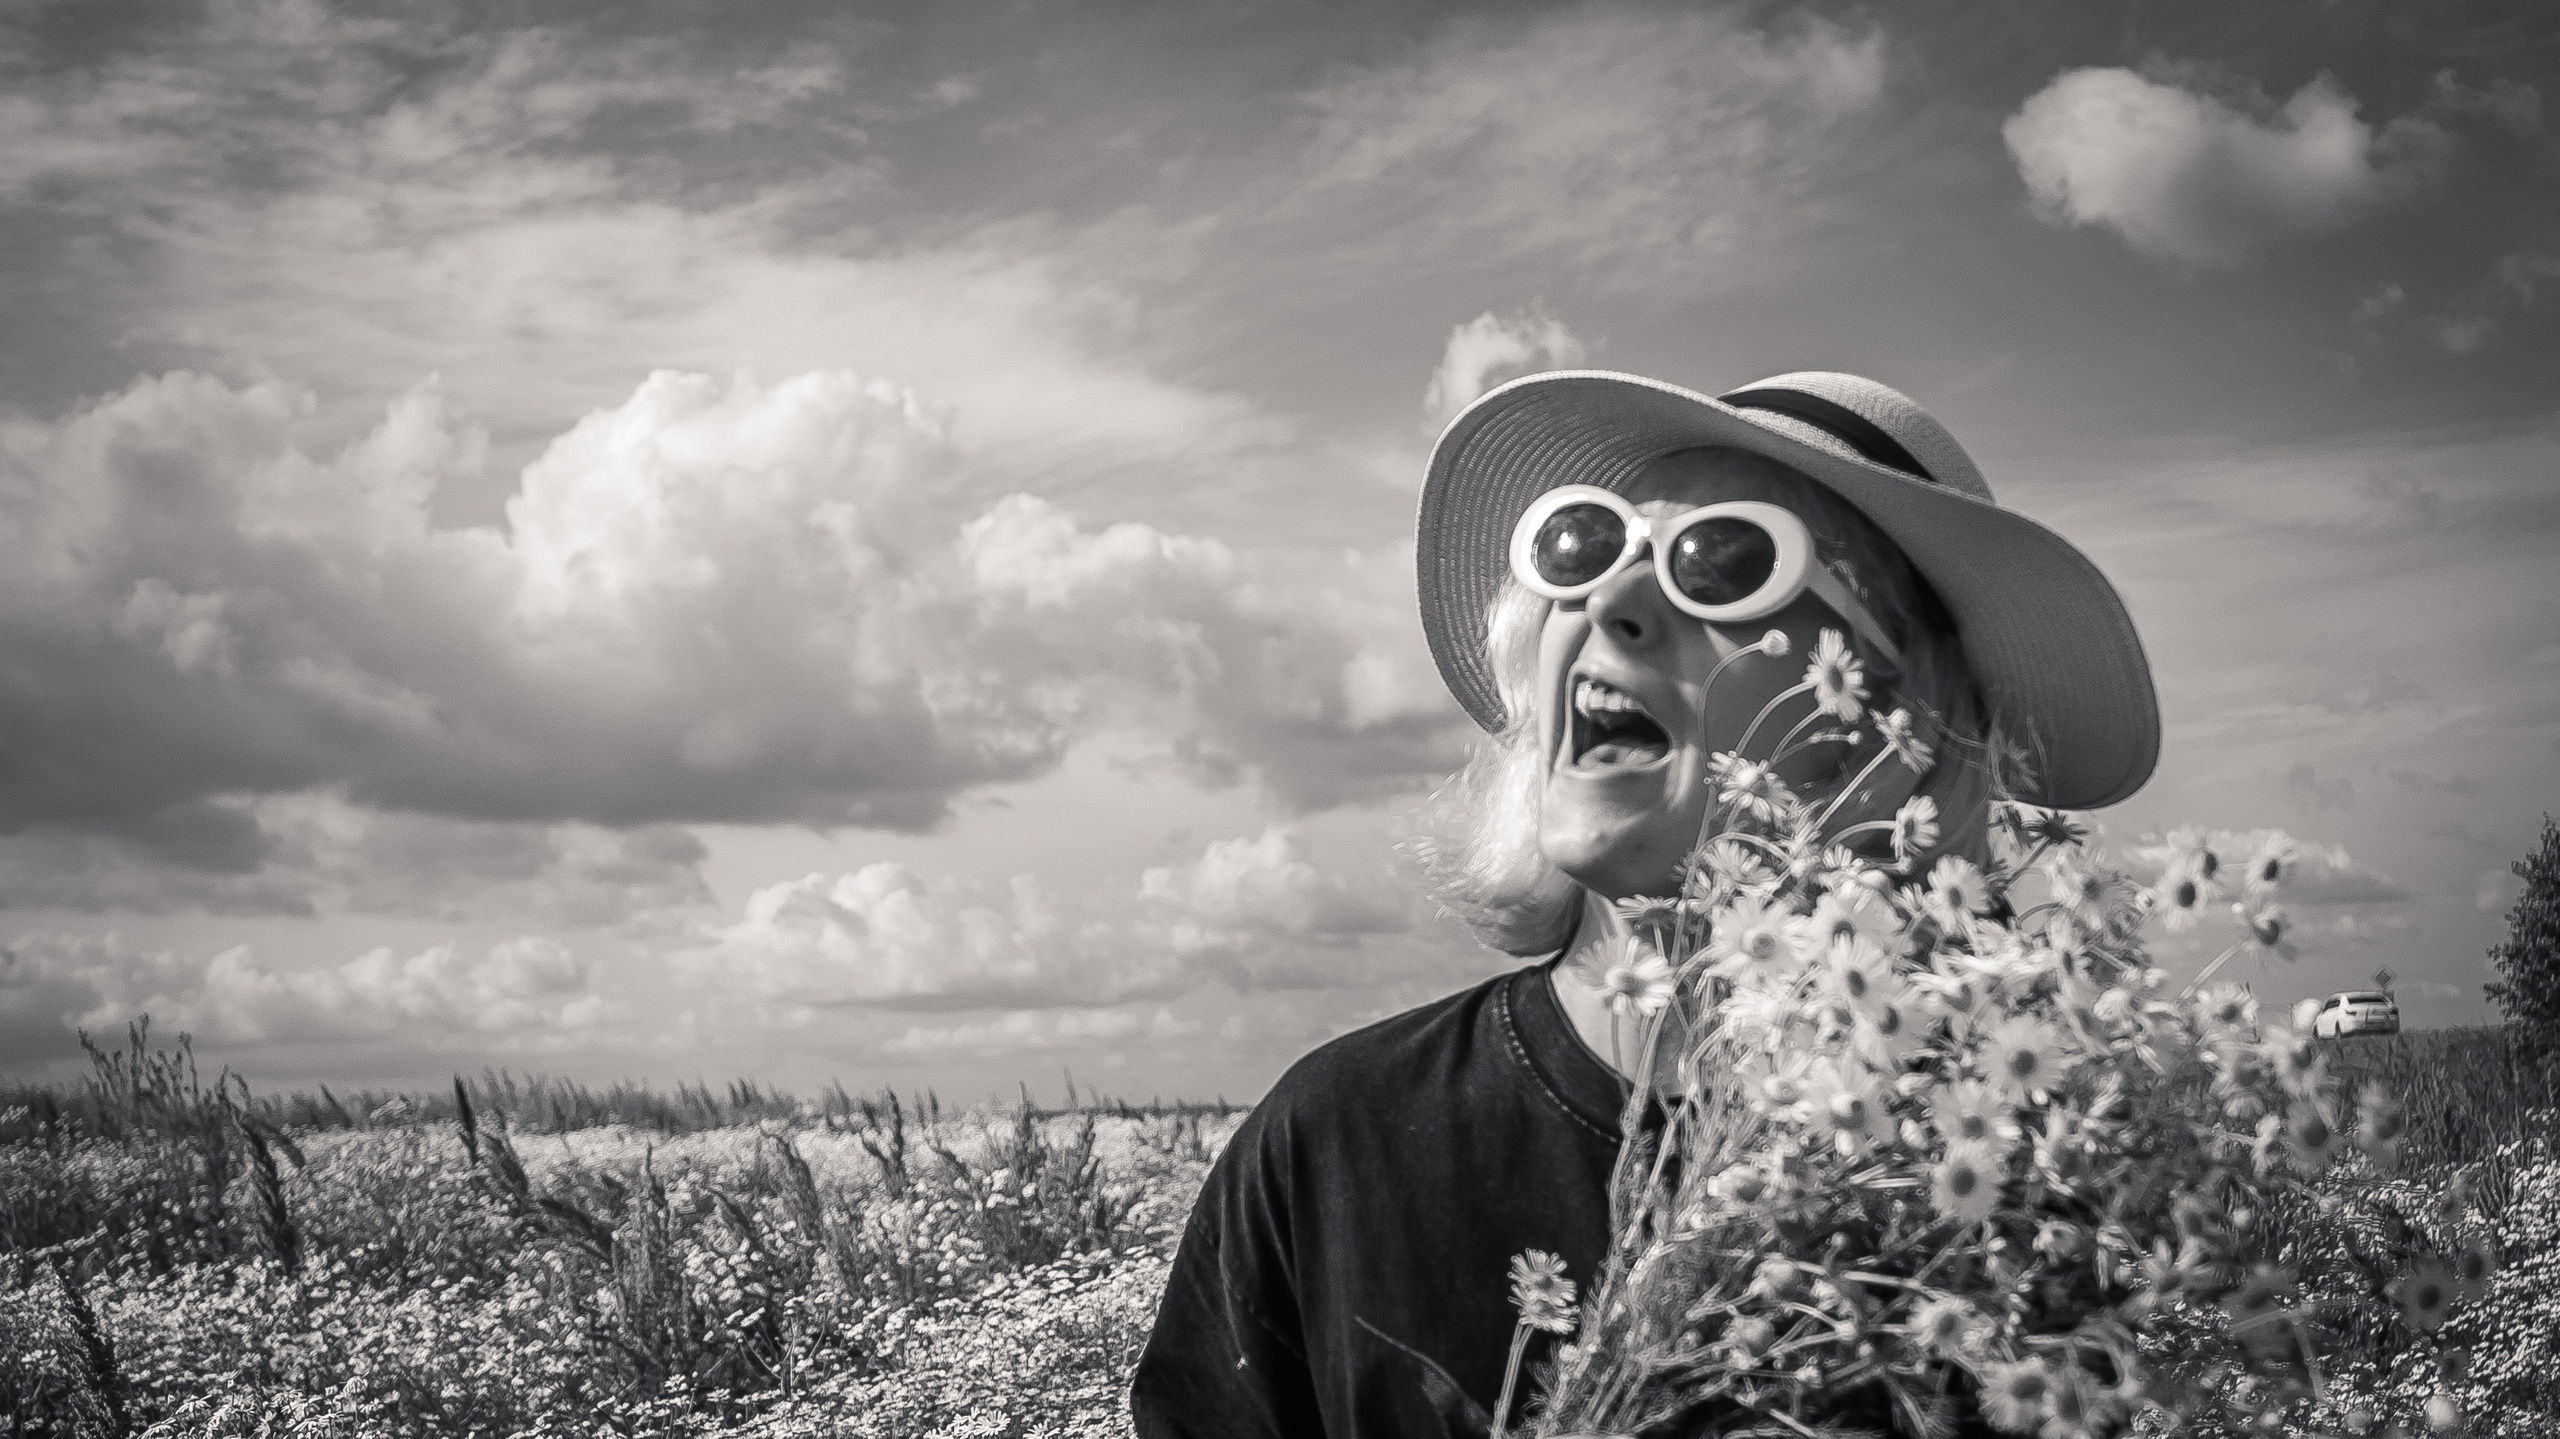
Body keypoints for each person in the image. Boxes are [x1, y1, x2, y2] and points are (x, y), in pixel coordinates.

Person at [1127, 370, 2160, 1439]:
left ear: (1892, 727)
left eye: (1726, 562)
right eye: (1582, 547)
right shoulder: (1333, 1140)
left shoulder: (1990, 1198)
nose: (1610, 603)